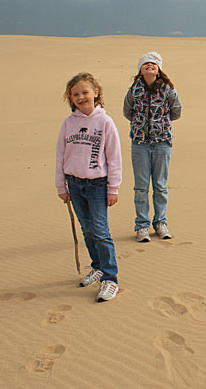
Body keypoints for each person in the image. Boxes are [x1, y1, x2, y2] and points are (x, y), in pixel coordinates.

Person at [55, 72, 123, 302]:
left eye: (85, 92)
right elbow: (60, 155)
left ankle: (110, 278)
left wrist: (113, 188)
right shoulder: (69, 123)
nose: (81, 97)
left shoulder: (105, 122)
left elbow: (114, 158)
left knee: (101, 232)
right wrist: (61, 186)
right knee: (87, 230)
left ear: (96, 93)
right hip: (74, 185)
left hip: (97, 185)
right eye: (75, 94)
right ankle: (98, 266)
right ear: (70, 98)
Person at [123, 52, 182, 242]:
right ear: (140, 70)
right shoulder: (133, 91)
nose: (150, 66)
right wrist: (140, 124)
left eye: (153, 64)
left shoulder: (168, 90)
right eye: (145, 64)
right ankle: (141, 225)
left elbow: (176, 111)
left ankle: (160, 223)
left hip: (162, 142)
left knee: (160, 185)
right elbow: (128, 111)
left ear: (159, 69)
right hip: (139, 143)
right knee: (141, 187)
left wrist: (160, 123)